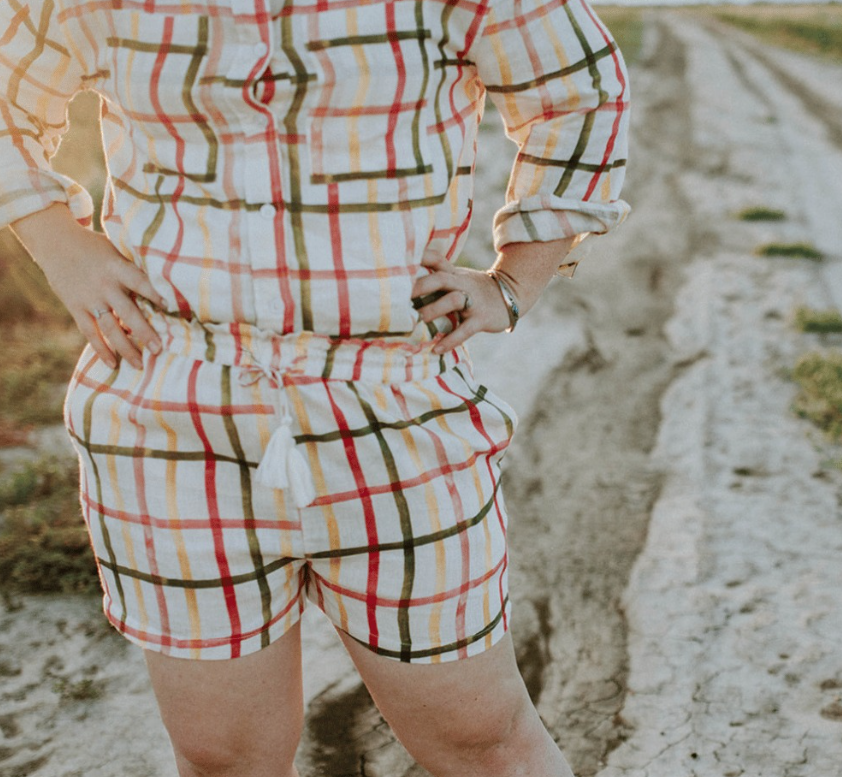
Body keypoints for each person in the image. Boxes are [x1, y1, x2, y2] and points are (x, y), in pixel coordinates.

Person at [1, 0, 629, 773]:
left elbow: (580, 93)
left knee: (480, 740)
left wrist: (512, 282)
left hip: (392, 410)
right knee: (223, 757)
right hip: (170, 415)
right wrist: (61, 243)